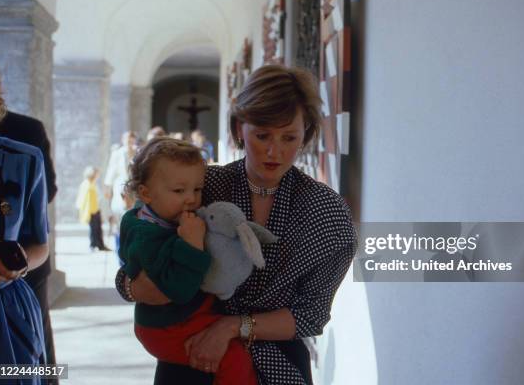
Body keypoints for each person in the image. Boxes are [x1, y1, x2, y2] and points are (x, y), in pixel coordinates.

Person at [115, 64, 357, 384]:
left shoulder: (326, 212)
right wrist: (133, 287)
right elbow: (137, 254)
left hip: (276, 364)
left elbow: (311, 314)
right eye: (262, 135)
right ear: (238, 128)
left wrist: (231, 327)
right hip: (189, 352)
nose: (275, 151)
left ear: (307, 133)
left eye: (289, 137)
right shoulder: (202, 187)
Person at [119, 137, 257, 384]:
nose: (191, 199)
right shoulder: (146, 235)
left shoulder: (159, 216)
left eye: (197, 189)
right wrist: (192, 243)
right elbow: (177, 290)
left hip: (185, 318)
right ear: (146, 193)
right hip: (167, 326)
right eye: (179, 191)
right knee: (235, 359)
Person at [0, 62, 59, 379]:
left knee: (21, 369)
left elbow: (39, 238)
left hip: (7, 298)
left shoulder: (25, 153)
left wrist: (15, 260)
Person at [104, 131, 138, 255]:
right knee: (119, 219)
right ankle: (119, 250)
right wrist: (107, 187)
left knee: (132, 219)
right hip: (120, 189)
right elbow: (111, 171)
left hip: (134, 190)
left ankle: (130, 251)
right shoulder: (117, 154)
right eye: (127, 140)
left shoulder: (138, 152)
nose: (129, 142)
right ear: (123, 140)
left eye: (131, 140)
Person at [76, 166, 111, 252]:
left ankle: (100, 245)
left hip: (95, 209)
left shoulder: (92, 184)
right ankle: (93, 245)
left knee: (98, 228)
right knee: (94, 229)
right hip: (91, 210)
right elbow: (86, 200)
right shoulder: (87, 185)